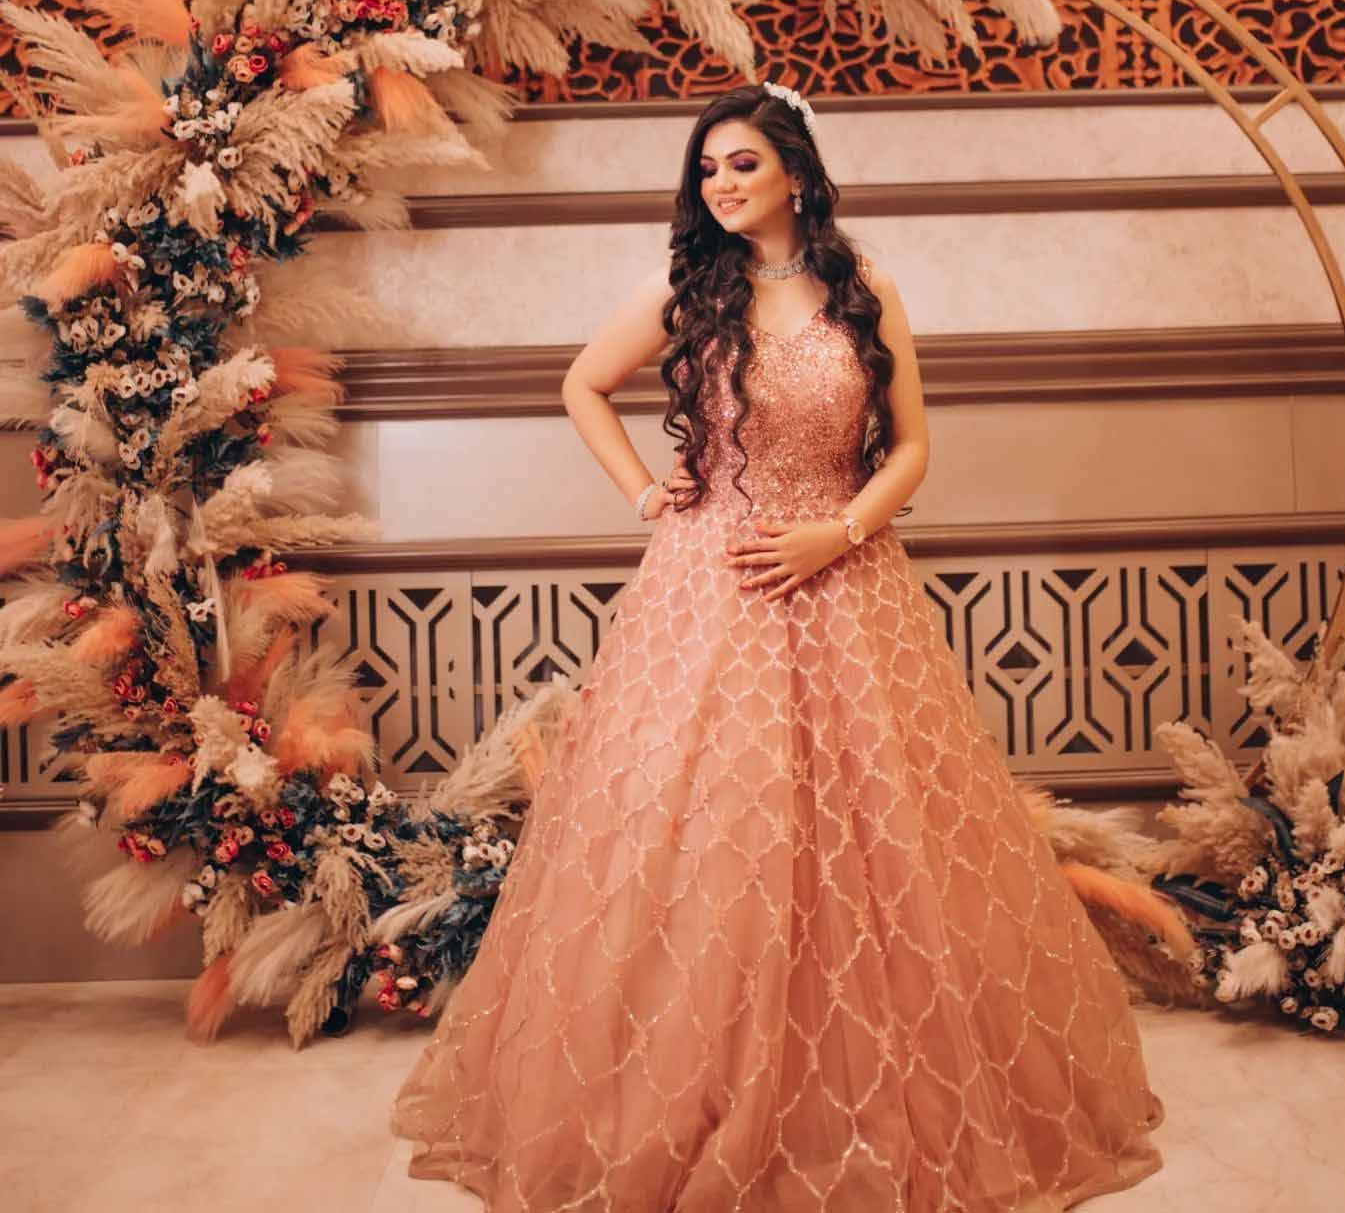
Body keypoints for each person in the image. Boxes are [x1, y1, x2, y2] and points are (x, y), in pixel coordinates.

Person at [390, 83, 1165, 1209]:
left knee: (878, 844)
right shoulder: (687, 292)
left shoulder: (866, 296)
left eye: (741, 164)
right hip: (710, 590)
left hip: (847, 581)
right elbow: (581, 384)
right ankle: (691, 1092)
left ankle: (855, 1097)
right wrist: (651, 495)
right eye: (707, 169)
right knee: (712, 837)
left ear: (794, 172)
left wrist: (834, 532)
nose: (721, 184)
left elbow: (910, 449)